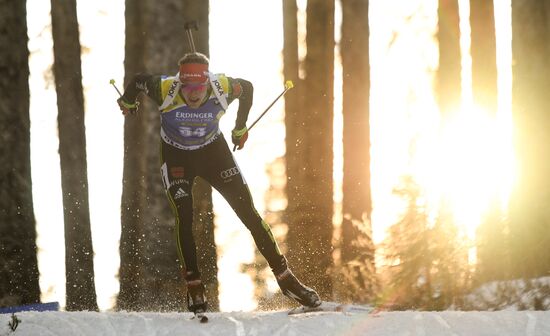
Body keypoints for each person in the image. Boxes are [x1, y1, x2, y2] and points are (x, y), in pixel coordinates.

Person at [117, 52, 321, 314]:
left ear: (207, 83)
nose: (193, 94)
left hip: (214, 154)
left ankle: (286, 279)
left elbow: (247, 87)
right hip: (177, 156)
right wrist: (128, 101)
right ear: (179, 83)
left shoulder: (222, 86)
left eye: (198, 88)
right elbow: (137, 81)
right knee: (184, 215)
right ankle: (194, 286)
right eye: (187, 87)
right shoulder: (164, 87)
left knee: (248, 213)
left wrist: (240, 126)